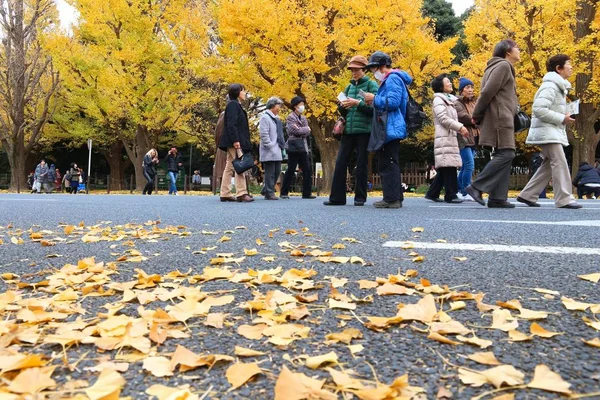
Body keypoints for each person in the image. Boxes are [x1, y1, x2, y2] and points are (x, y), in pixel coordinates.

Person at [517, 54, 581, 209]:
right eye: (568, 64)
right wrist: (561, 118)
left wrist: (564, 115)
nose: (571, 67)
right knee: (559, 162)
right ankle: (564, 199)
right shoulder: (550, 86)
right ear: (559, 68)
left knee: (548, 165)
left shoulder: (557, 86)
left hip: (550, 131)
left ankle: (527, 195)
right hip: (548, 132)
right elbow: (538, 109)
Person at [466, 39, 521, 208]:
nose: (519, 51)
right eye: (517, 48)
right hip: (500, 117)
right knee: (507, 153)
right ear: (508, 51)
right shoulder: (503, 66)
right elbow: (487, 91)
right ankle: (476, 186)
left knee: (502, 153)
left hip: (499, 115)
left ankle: (497, 197)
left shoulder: (494, 66)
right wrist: (476, 114)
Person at [325, 55, 379, 207]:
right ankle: (337, 198)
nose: (354, 72)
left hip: (364, 130)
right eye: (352, 70)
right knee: (341, 161)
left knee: (362, 164)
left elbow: (375, 110)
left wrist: (358, 103)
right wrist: (341, 106)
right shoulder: (349, 87)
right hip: (348, 130)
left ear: (364, 70)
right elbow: (345, 112)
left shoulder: (371, 85)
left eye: (357, 70)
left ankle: (360, 197)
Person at [363, 51, 412, 209]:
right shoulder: (393, 78)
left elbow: (393, 102)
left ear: (382, 66)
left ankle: (391, 199)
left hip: (390, 126)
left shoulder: (391, 79)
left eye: (374, 68)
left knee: (388, 162)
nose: (373, 72)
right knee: (391, 161)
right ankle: (396, 197)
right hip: (392, 126)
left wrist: (374, 99)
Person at [425, 74, 468, 203]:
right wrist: (460, 127)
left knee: (446, 166)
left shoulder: (450, 100)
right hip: (444, 135)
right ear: (440, 86)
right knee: (449, 165)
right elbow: (443, 118)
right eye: (447, 82)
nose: (450, 83)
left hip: (450, 135)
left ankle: (432, 193)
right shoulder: (439, 100)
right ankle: (451, 194)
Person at [218, 83, 253, 203]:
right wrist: (236, 140)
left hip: (231, 140)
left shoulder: (234, 105)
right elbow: (232, 124)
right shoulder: (233, 105)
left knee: (229, 166)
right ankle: (241, 193)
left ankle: (225, 193)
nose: (245, 93)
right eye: (243, 91)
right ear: (237, 93)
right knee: (240, 164)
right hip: (234, 141)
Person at [280, 96, 315, 199]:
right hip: (294, 146)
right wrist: (304, 129)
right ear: (295, 106)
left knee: (307, 169)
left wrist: (303, 130)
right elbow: (293, 131)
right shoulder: (290, 117)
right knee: (291, 168)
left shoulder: (303, 118)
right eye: (301, 104)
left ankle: (307, 193)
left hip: (303, 146)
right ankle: (284, 192)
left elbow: (306, 132)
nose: (302, 106)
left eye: (303, 104)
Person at [454, 77, 480, 200]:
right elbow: (464, 117)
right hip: (463, 137)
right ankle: (466, 190)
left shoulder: (474, 102)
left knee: (465, 166)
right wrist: (477, 120)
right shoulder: (457, 103)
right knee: (469, 164)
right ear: (461, 90)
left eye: (471, 87)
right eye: (467, 87)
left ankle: (459, 189)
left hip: (474, 137)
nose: (470, 90)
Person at [259, 97, 286, 200]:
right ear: (272, 106)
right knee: (270, 172)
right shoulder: (265, 117)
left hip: (277, 148)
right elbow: (264, 133)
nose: (279, 108)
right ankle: (269, 193)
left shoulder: (276, 119)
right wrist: (269, 145)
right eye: (278, 105)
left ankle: (266, 189)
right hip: (269, 149)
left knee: (277, 171)